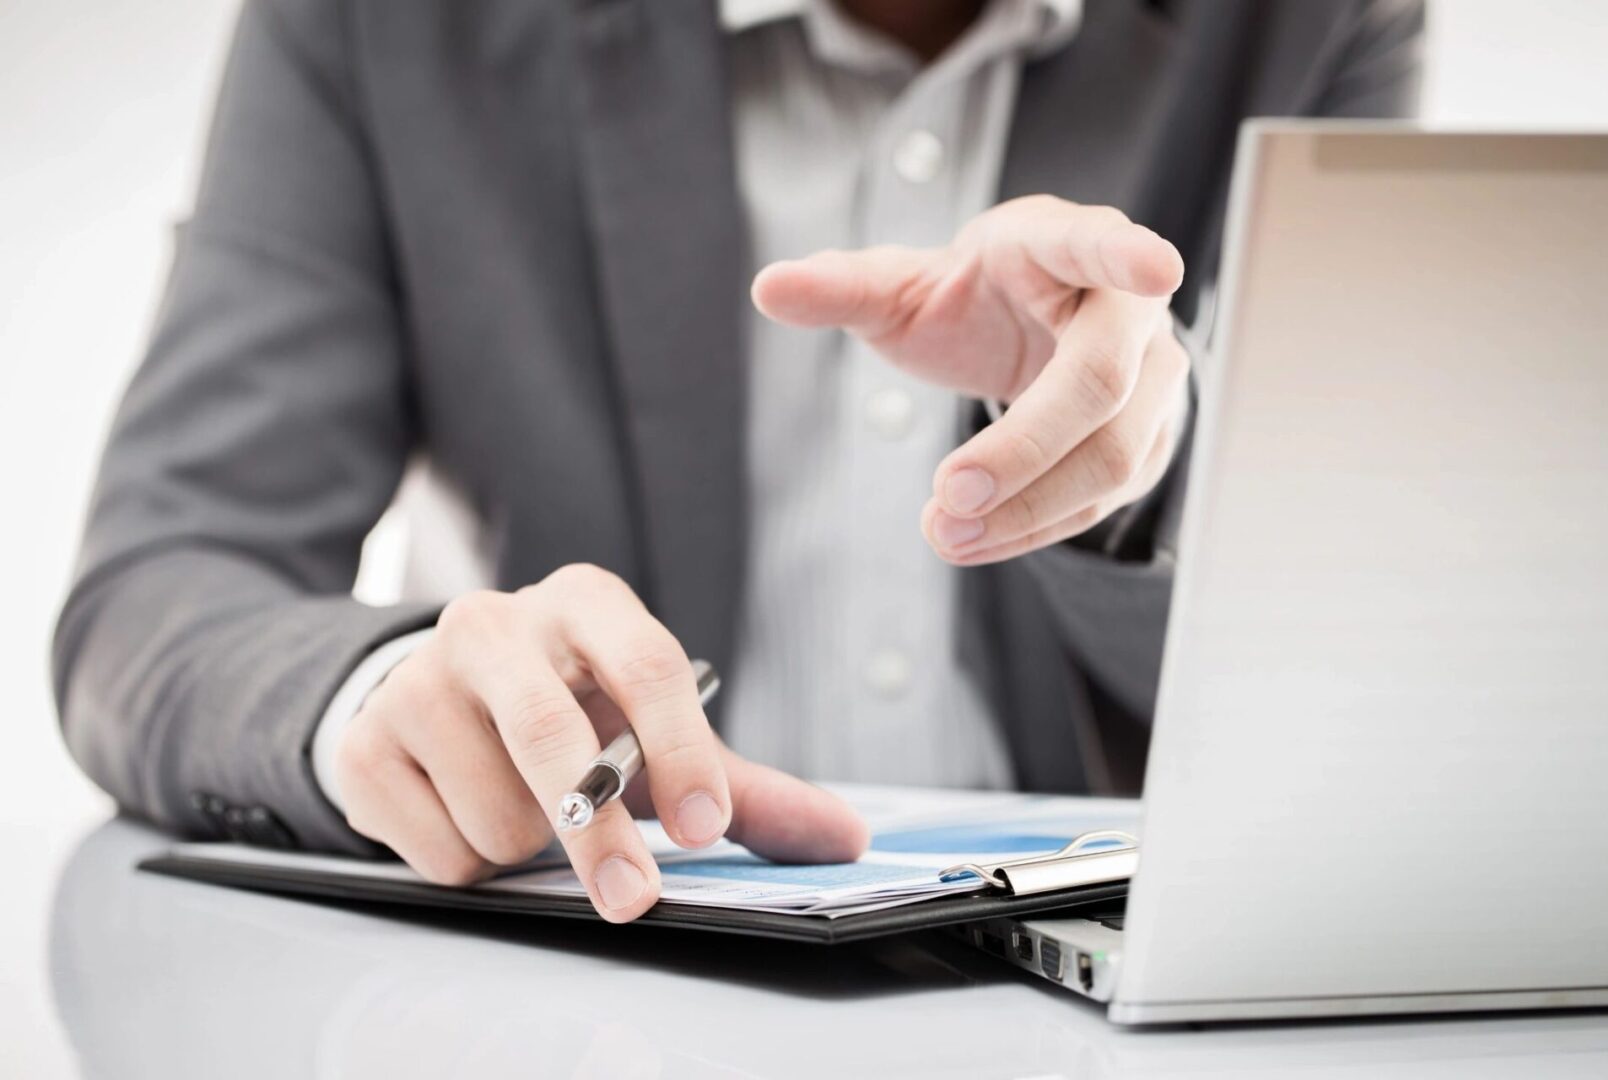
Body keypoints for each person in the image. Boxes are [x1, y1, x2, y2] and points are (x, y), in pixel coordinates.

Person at [53, 0, 1423, 922]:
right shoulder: (387, 27)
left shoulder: (1309, 20)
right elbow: (164, 582)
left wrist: (1148, 461)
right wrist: (388, 705)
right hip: (571, 986)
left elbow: (1382, 652)